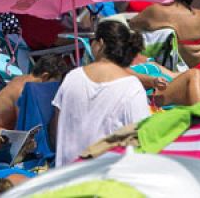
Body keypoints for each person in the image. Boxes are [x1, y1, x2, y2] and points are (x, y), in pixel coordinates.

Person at [51, 20, 150, 167]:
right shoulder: (132, 86)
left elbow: (55, 131)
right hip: (108, 180)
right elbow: (142, 141)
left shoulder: (72, 77)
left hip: (67, 177)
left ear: (101, 43)